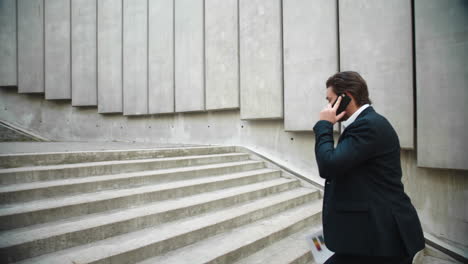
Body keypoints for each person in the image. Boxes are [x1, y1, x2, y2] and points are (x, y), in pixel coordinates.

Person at [313, 71, 425, 264]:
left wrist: (324, 125)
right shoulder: (366, 123)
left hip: (382, 238)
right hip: (368, 233)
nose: (327, 107)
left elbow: (329, 165)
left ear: (346, 97)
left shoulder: (368, 126)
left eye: (330, 100)